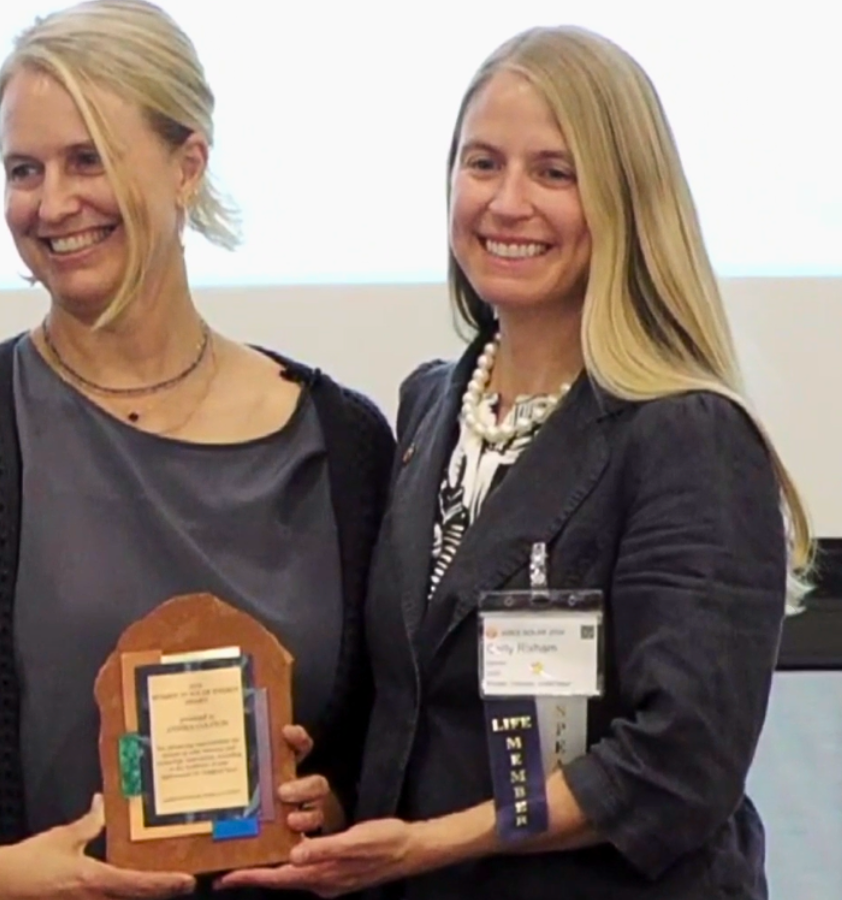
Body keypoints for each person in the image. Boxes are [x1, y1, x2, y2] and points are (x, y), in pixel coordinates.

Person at [0, 3, 394, 900]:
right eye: (23, 169)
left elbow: (380, 748)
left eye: (89, 160)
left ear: (186, 165)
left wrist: (331, 809)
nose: (51, 204)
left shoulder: (344, 444)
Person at [216, 25, 815, 900]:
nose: (506, 202)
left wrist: (426, 845)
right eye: (482, 163)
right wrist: (339, 804)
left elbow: (677, 766)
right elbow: (421, 705)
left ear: (626, 199)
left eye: (554, 172)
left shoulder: (688, 436)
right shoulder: (428, 407)